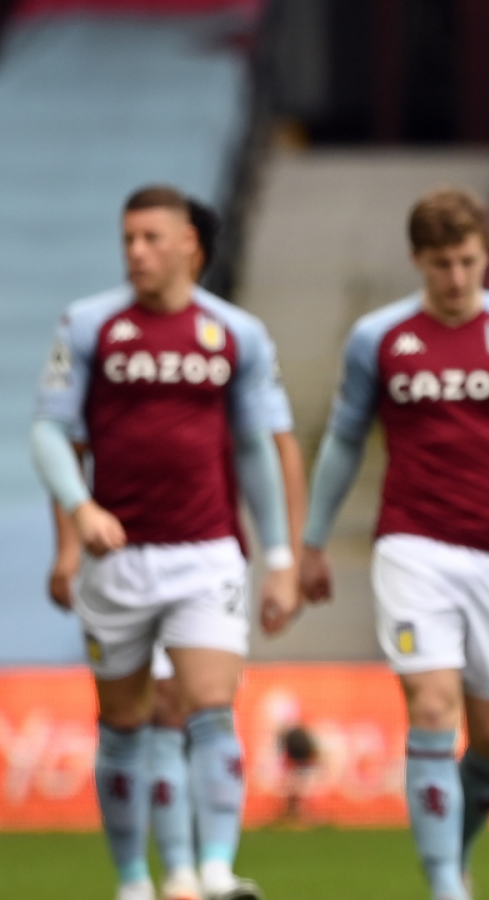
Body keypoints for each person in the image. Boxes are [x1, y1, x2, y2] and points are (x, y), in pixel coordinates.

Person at [33, 185, 298, 900]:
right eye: (128, 239)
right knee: (124, 723)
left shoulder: (235, 333)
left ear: (190, 245)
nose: (136, 252)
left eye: (151, 238)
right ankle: (133, 880)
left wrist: (278, 556)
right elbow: (51, 431)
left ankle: (214, 871)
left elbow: (255, 447)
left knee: (210, 704)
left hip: (206, 553)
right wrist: (80, 510)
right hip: (116, 559)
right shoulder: (89, 325)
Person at [297, 188, 489, 900]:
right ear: (418, 260)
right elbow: (344, 440)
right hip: (413, 547)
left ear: (485, 254)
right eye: (442, 263)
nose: (456, 277)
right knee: (433, 707)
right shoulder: (379, 338)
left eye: (468, 261)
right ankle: (446, 884)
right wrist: (313, 540)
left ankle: (455, 850)